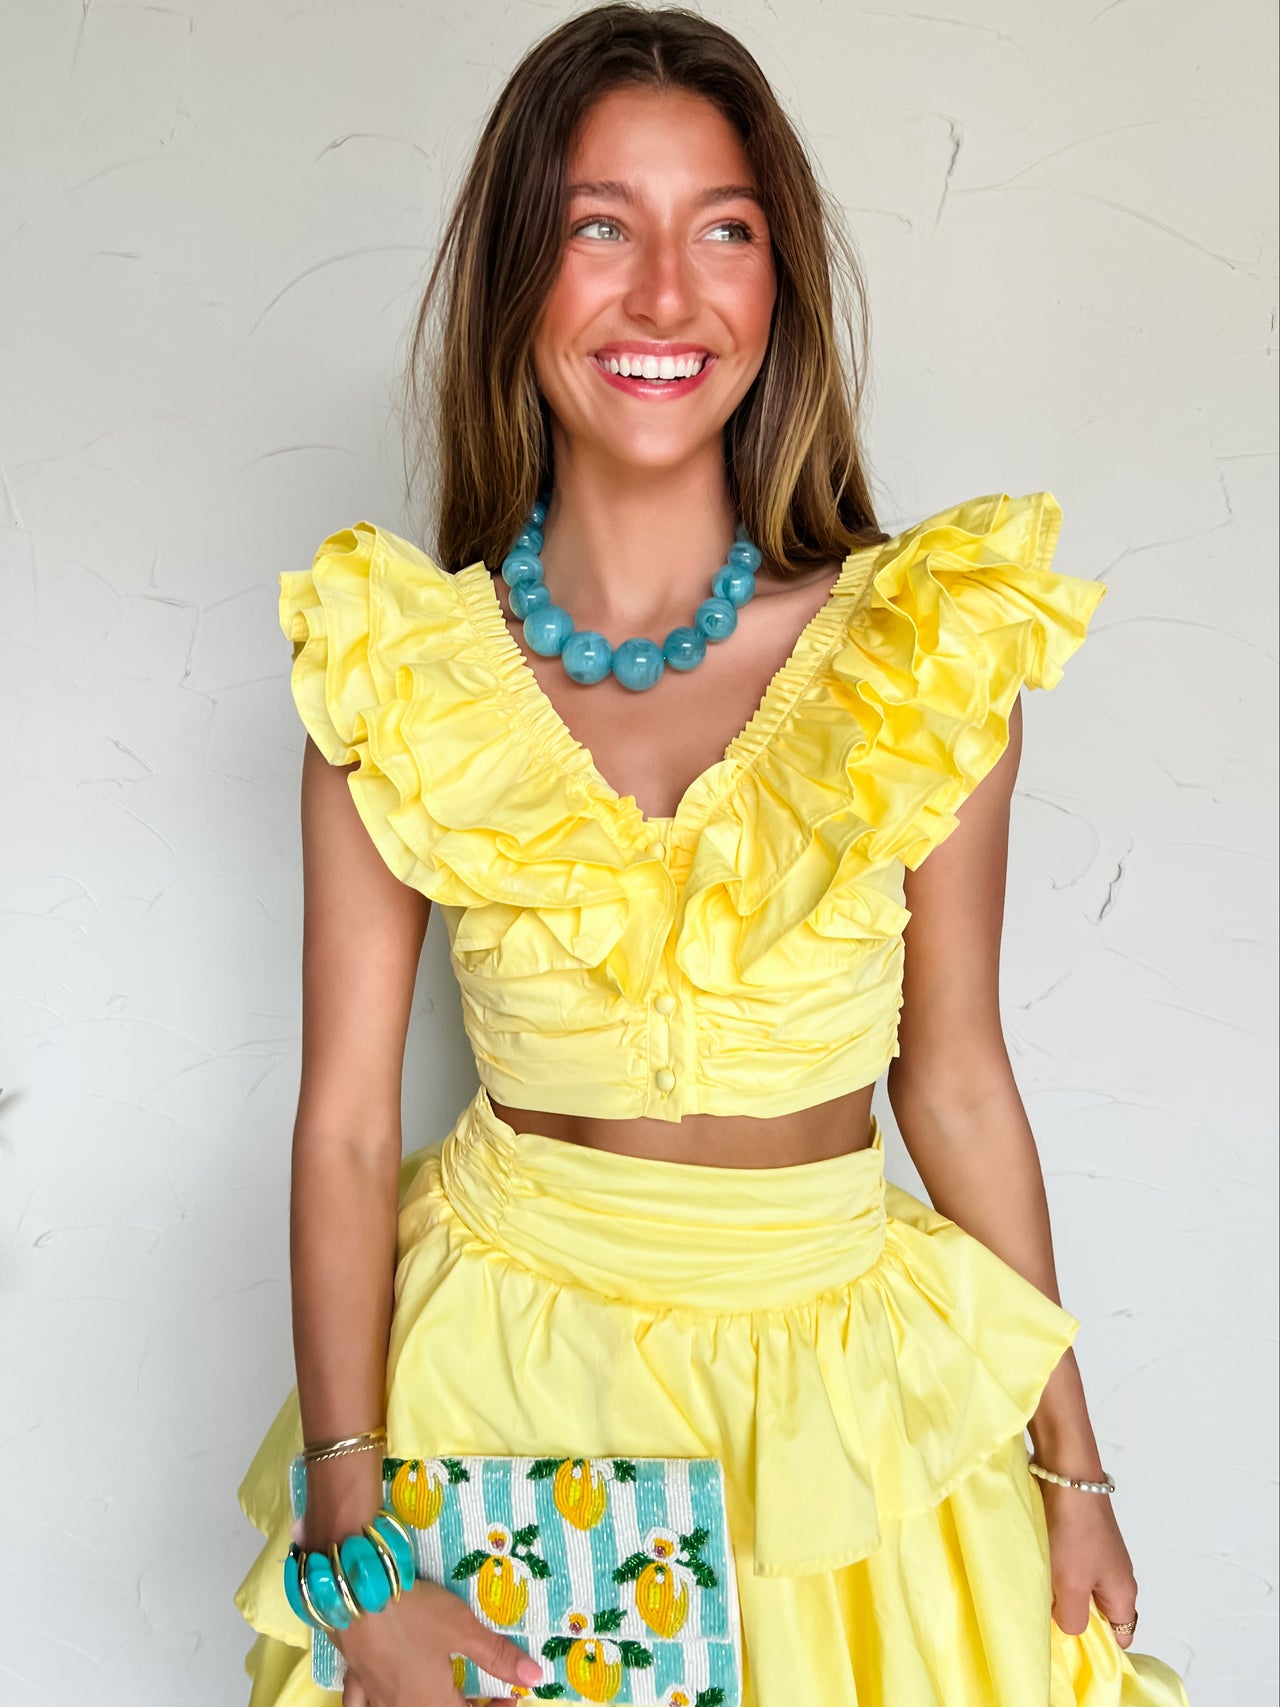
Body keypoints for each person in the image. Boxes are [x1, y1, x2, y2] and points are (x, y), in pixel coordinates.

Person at [234, 7, 1191, 1705]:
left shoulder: (917, 660)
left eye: (724, 230)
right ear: (517, 275)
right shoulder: (402, 680)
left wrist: (1075, 1465)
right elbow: (349, 1127)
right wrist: (353, 1548)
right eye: (601, 226)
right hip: (499, 1392)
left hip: (849, 1410)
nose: (666, 296)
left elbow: (958, 1083)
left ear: (781, 284)